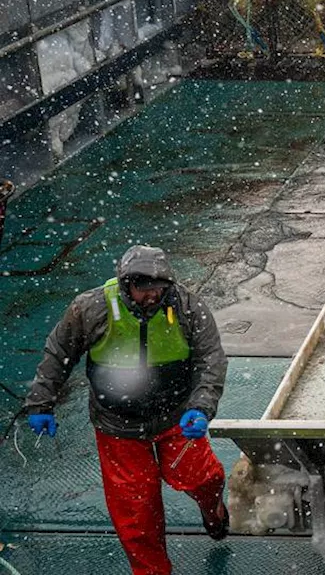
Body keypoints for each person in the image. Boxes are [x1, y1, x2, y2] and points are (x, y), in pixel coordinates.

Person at [24, 245, 229, 575]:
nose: (151, 296)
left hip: (175, 416)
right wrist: (41, 402)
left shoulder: (188, 306)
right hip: (117, 426)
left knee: (206, 477)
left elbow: (211, 359)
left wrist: (201, 407)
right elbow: (59, 352)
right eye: (143, 288)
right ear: (125, 284)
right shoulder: (90, 307)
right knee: (136, 517)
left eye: (158, 289)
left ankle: (213, 508)